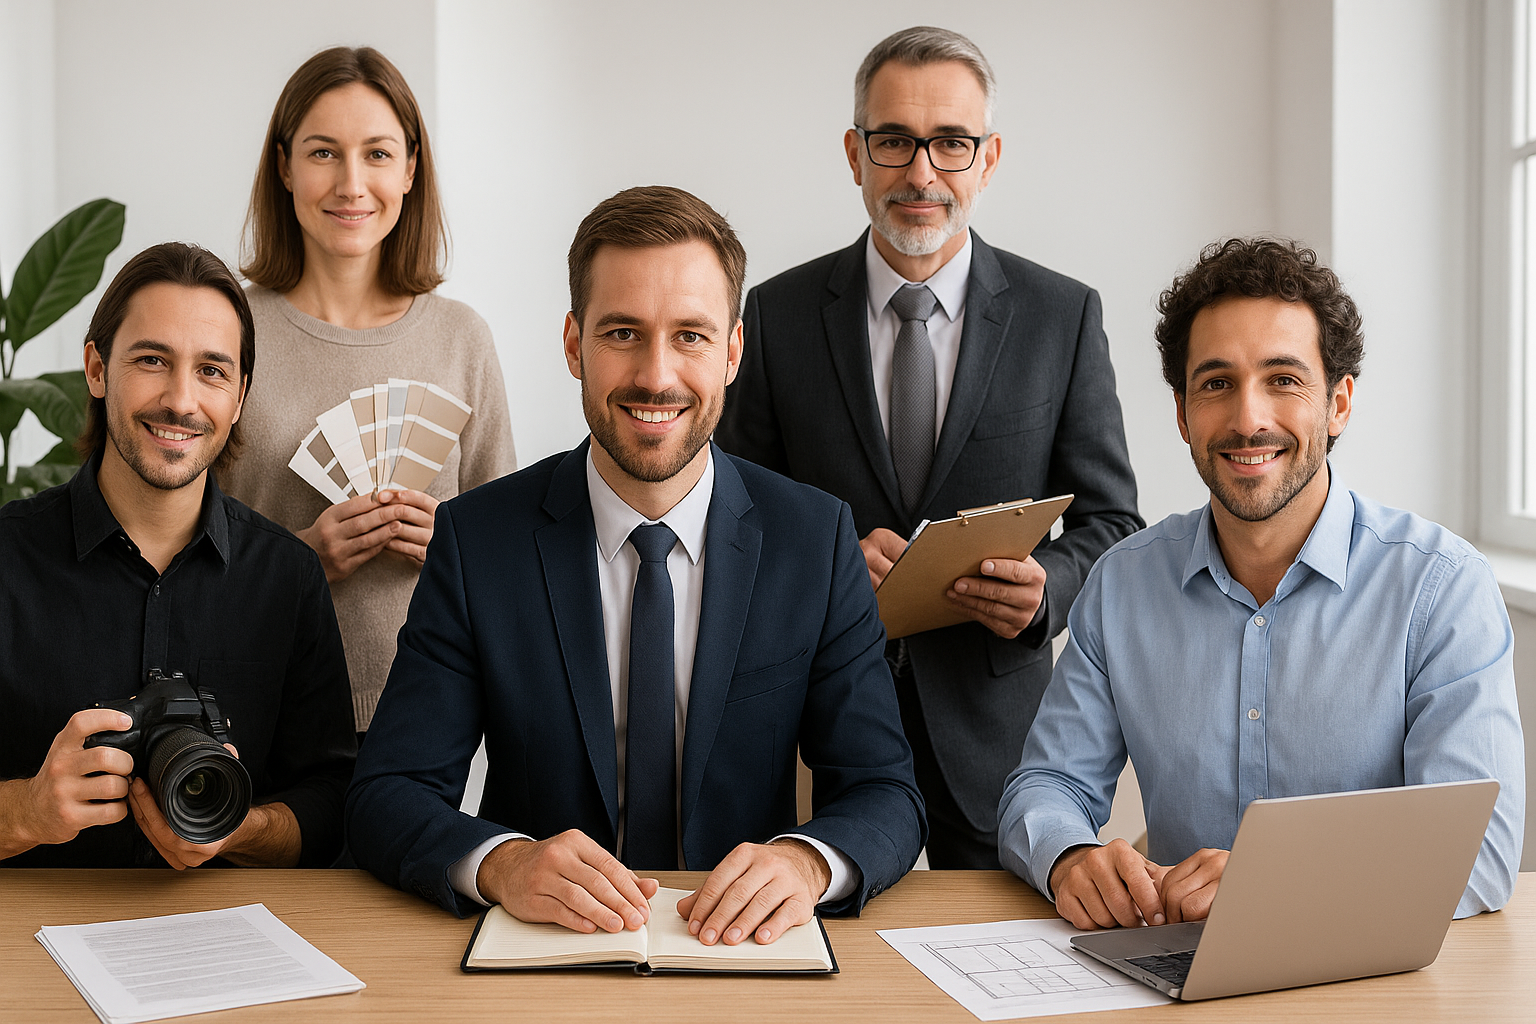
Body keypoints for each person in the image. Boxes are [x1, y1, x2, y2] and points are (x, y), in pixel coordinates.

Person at [347, 186, 925, 947]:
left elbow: (886, 791)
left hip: (745, 958)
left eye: (690, 335)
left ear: (733, 352)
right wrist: (502, 864)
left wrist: (807, 865)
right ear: (573, 343)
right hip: (546, 955)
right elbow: (388, 792)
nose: (656, 375)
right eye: (623, 332)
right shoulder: (477, 540)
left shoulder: (813, 540)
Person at [998, 238, 1525, 927]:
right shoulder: (1122, 584)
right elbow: (1047, 784)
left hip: (1373, 978)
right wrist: (1069, 857)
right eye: (1217, 383)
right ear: (1183, 413)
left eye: (1283, 379)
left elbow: (1479, 850)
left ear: (1337, 405)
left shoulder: (1442, 588)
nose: (1249, 419)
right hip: (1177, 970)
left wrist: (1279, 884)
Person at [716, 26, 1142, 869]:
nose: (921, 173)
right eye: (895, 141)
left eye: (950, 143)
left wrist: (1045, 591)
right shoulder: (773, 314)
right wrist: (828, 562)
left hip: (992, 739)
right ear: (855, 153)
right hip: (813, 731)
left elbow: (1115, 525)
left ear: (987, 159)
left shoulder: (1062, 318)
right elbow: (727, 515)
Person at [0, 242, 356, 868]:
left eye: (212, 371)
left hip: (228, 941)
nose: (182, 401)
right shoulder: (6, 558)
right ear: (97, 368)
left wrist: (242, 829)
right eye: (152, 360)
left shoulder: (288, 577)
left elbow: (334, 805)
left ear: (240, 395)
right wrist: (26, 811)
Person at [224, 46, 515, 733]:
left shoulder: (461, 338)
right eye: (324, 153)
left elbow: (510, 560)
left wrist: (453, 543)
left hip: (431, 715)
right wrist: (300, 561)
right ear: (284, 165)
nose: (352, 184)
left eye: (378, 154)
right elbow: (182, 552)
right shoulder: (229, 330)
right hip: (262, 706)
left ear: (410, 168)